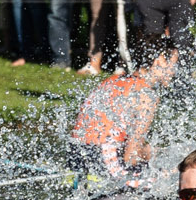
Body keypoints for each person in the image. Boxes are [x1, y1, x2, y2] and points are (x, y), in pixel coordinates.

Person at [69, 46, 174, 180]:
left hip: (75, 154)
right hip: (103, 160)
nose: (174, 70)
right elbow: (131, 156)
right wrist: (149, 153)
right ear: (158, 61)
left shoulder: (112, 80)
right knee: (168, 178)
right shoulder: (147, 95)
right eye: (173, 63)